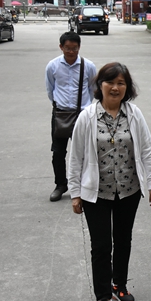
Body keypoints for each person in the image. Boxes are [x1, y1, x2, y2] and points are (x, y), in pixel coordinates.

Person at [68, 62, 151, 301]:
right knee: (100, 246)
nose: (116, 87)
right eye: (111, 82)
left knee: (123, 240)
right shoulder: (87, 117)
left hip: (129, 190)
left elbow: (147, 150)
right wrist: (75, 192)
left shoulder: (134, 114)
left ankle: (119, 284)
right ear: (100, 85)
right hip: (96, 194)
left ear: (127, 87)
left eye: (121, 83)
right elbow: (75, 157)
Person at [45, 31, 97, 202]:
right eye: (67, 48)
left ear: (79, 47)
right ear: (61, 47)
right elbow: (50, 90)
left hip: (82, 115)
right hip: (60, 115)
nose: (71, 52)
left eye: (74, 48)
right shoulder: (52, 66)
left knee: (84, 153)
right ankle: (61, 185)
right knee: (58, 152)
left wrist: (85, 107)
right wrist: (60, 105)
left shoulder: (88, 66)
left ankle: (84, 185)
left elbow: (93, 90)